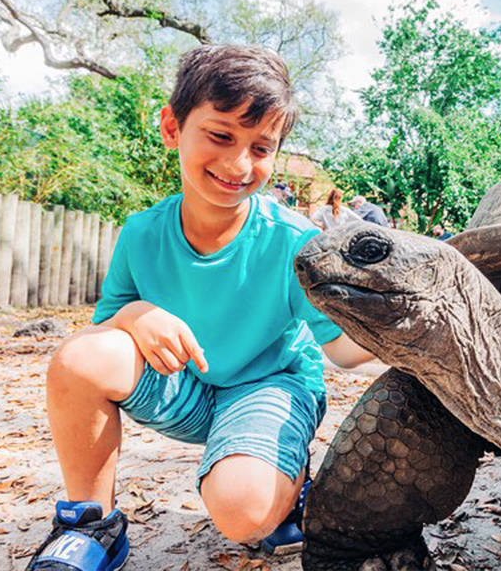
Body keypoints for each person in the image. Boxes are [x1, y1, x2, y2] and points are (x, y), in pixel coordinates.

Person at [26, 45, 376, 571]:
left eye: (261, 147)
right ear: (172, 127)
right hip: (185, 388)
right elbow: (105, 333)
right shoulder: (142, 233)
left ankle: (288, 478)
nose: (239, 164)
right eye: (220, 135)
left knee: (244, 514)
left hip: (269, 386)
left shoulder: (295, 242)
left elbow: (346, 351)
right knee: (79, 359)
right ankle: (92, 523)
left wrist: (423, 334)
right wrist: (135, 315)